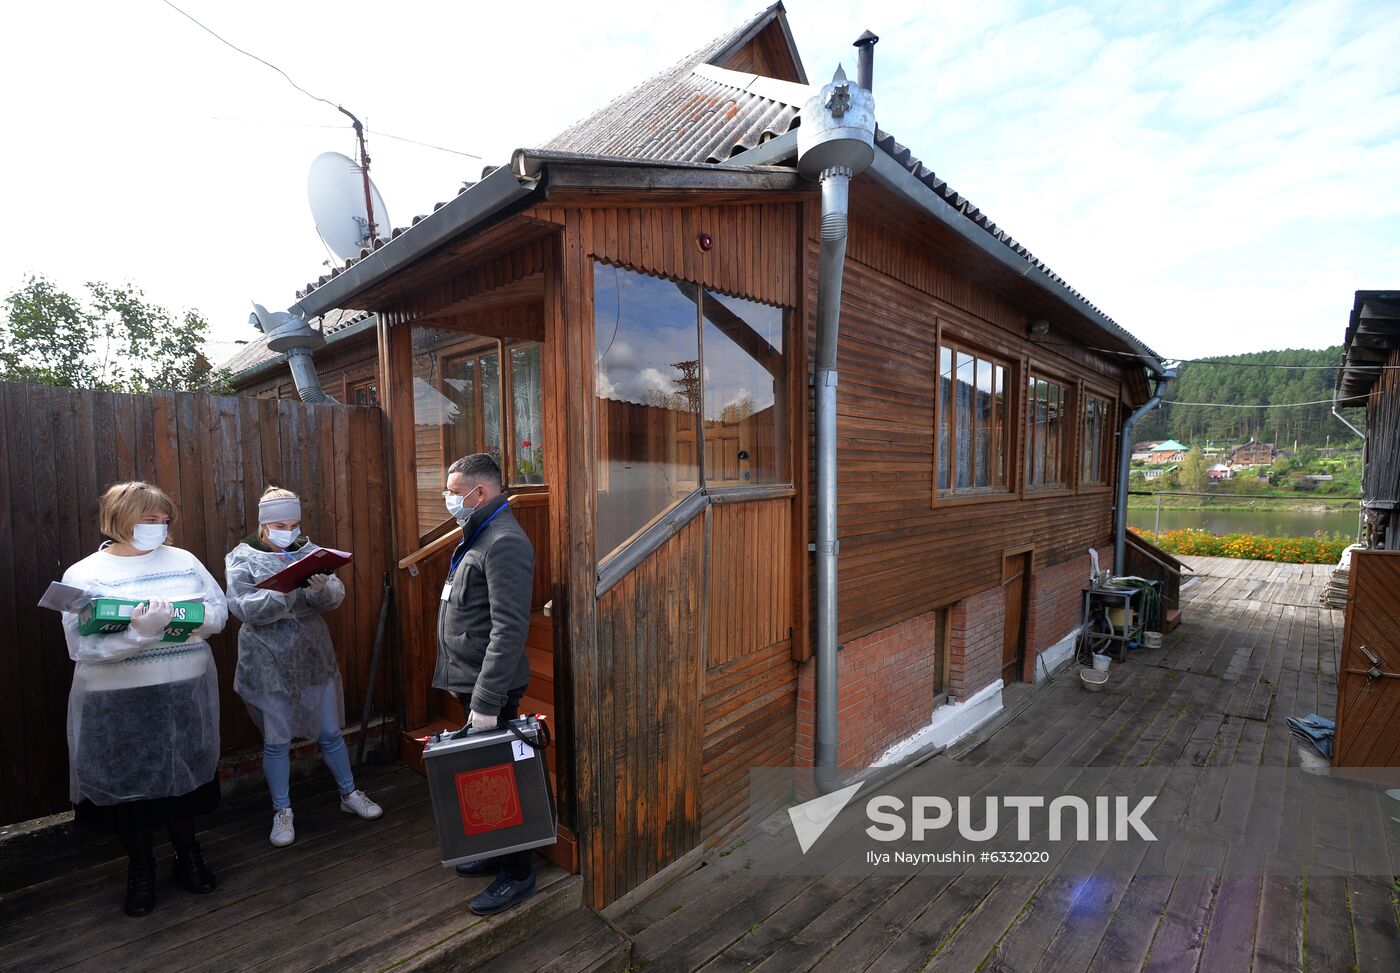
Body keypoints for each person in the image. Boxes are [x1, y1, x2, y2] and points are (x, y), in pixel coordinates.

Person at [59, 481, 229, 918]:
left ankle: (188, 856)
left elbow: (218, 611)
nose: (158, 527)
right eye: (147, 519)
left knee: (183, 781)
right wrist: (139, 633)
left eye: (163, 520)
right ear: (118, 520)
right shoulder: (86, 574)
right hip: (118, 705)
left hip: (185, 693)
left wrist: (190, 619)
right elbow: (81, 647)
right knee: (131, 790)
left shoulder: (184, 561)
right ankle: (141, 868)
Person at [225, 485, 382, 848]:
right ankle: (282, 810)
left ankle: (348, 793)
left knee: (330, 731)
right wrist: (284, 592)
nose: (289, 531)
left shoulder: (310, 551)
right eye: (280, 524)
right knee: (277, 740)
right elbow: (242, 608)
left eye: (294, 523)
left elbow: (334, 598)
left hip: (313, 655)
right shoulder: (242, 557)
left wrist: (320, 587)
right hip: (265, 658)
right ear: (264, 525)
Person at [435, 453, 537, 915]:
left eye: (455, 492)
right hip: (471, 683)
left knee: (502, 779)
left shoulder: (504, 542)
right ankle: (498, 850)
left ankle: (517, 873)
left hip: (489, 690)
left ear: (482, 493)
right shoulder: (477, 532)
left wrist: (487, 701)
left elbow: (510, 630)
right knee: (482, 775)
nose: (449, 499)